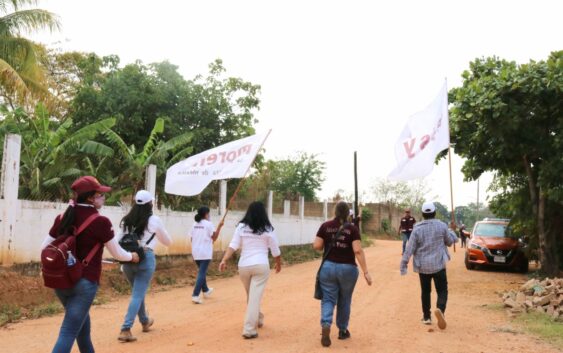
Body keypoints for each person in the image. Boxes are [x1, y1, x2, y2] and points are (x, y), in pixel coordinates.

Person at [41, 176, 140, 353]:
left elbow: (45, 248)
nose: (103, 197)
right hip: (84, 283)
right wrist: (132, 256)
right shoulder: (101, 222)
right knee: (69, 331)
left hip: (61, 281)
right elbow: (117, 253)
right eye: (100, 194)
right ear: (90, 198)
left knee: (82, 330)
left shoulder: (62, 217)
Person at [313, 201, 372, 347]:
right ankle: (342, 330)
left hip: (327, 268)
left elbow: (317, 246)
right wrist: (366, 272)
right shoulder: (352, 229)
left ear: (335, 212)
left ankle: (326, 324)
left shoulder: (325, 226)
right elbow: (357, 250)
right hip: (348, 269)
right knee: (345, 299)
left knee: (328, 299)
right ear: (348, 214)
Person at [219, 201, 281, 339]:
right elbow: (275, 249)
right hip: (260, 265)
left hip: (244, 266)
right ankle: (249, 329)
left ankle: (258, 319)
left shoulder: (241, 227)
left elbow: (233, 245)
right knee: (254, 297)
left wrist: (224, 259)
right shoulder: (268, 228)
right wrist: (278, 263)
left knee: (252, 296)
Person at [117, 190, 172, 342]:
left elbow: (118, 241)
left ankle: (145, 321)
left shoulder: (126, 220)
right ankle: (125, 328)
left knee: (137, 293)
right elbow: (167, 241)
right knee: (137, 294)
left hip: (128, 259)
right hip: (145, 258)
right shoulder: (154, 220)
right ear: (151, 203)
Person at [400, 201, 458, 330]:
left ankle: (426, 317)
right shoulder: (442, 226)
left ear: (422, 214)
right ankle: (440, 310)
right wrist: (453, 232)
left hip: (423, 266)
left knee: (425, 291)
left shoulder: (417, 228)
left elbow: (410, 248)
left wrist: (403, 264)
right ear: (435, 213)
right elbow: (449, 242)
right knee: (442, 290)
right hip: (439, 265)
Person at [189, 206, 224, 304]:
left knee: (201, 272)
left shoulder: (194, 224)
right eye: (209, 213)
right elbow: (214, 237)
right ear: (206, 214)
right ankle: (195, 295)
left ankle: (206, 290)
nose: (209, 216)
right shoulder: (209, 224)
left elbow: (192, 239)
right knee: (202, 273)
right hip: (205, 252)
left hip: (196, 252)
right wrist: (219, 227)